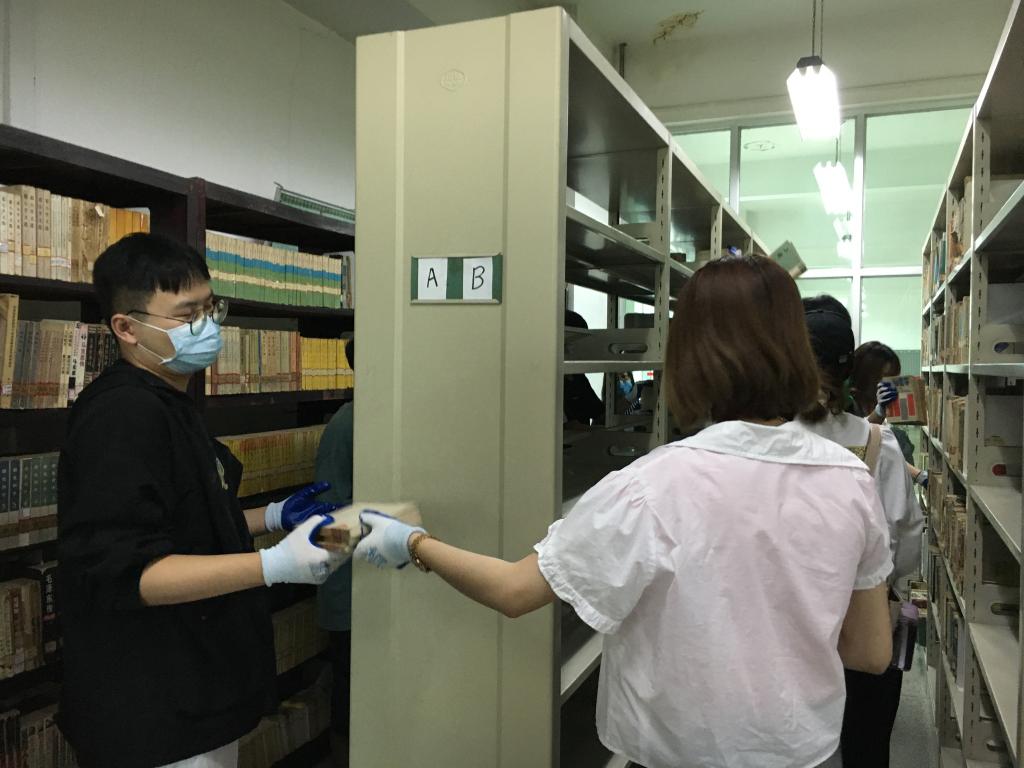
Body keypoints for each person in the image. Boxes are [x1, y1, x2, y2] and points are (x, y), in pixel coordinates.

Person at [354, 255, 894, 768]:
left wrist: (413, 543)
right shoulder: (849, 479)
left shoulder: (653, 487)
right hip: (806, 755)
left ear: (693, 353)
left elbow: (514, 591)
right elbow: (871, 651)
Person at [57, 233, 349, 768]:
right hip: (153, 706)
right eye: (187, 315)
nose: (208, 326)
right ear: (126, 327)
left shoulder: (169, 401)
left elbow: (176, 521)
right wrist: (271, 566)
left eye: (210, 309)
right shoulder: (121, 416)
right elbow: (129, 572)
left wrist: (270, 517)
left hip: (198, 689)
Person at [794, 296, 926, 768]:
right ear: (851, 369)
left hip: (790, 621)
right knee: (866, 742)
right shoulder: (877, 442)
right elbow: (906, 542)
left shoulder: (767, 440)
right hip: (863, 620)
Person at [315, 337, 355, 767]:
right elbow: (330, 520)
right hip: (350, 590)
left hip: (365, 585)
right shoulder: (349, 424)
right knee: (350, 696)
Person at [850, 340, 929, 487]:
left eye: (895, 376)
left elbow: (885, 452)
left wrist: (918, 475)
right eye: (886, 376)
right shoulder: (849, 404)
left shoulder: (879, 403)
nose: (893, 382)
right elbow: (858, 440)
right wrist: (879, 412)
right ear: (867, 377)